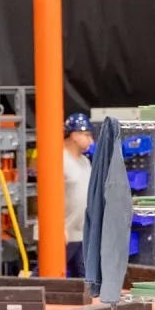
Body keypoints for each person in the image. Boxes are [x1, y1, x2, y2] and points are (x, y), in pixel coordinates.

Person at [62, 113, 94, 278]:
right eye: (87, 135)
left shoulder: (85, 162)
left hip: (81, 234)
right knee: (48, 277)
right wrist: (58, 228)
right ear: (74, 135)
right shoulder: (59, 160)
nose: (91, 141)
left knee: (84, 281)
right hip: (63, 234)